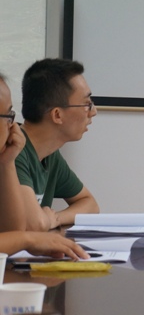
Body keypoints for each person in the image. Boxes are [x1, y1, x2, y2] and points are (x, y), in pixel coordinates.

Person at [0, 71, 88, 259]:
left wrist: (7, 163)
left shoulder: (6, 157)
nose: (13, 126)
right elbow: (24, 231)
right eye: (7, 116)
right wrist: (29, 239)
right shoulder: (22, 152)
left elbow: (12, 231)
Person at [16, 59, 99, 232]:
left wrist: (54, 218)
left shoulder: (49, 155)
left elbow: (90, 205)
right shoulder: (13, 150)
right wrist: (44, 220)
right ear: (57, 115)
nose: (93, 112)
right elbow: (33, 224)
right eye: (87, 104)